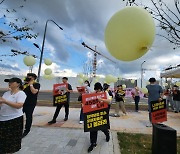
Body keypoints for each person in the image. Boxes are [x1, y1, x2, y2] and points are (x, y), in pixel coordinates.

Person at [0, 77, 26, 153]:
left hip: (14, 119)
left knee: (11, 138)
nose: (9, 83)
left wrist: (5, 101)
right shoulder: (6, 93)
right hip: (2, 118)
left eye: (11, 82)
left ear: (18, 84)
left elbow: (19, 106)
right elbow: (2, 103)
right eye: (9, 82)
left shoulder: (21, 93)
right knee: (2, 138)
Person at [87, 82, 111, 153]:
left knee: (102, 127)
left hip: (102, 113)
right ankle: (93, 143)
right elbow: (87, 99)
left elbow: (109, 101)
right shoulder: (94, 93)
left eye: (98, 90)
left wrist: (102, 100)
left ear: (100, 88)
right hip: (94, 113)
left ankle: (107, 134)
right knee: (93, 129)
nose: (97, 91)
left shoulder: (105, 93)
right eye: (96, 90)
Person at [22, 73, 40, 138]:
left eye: (29, 77)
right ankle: (19, 128)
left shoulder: (36, 84)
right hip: (22, 102)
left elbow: (34, 92)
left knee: (28, 116)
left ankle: (27, 130)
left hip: (30, 103)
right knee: (19, 115)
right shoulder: (25, 84)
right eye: (27, 76)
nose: (28, 77)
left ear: (33, 78)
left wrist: (31, 85)